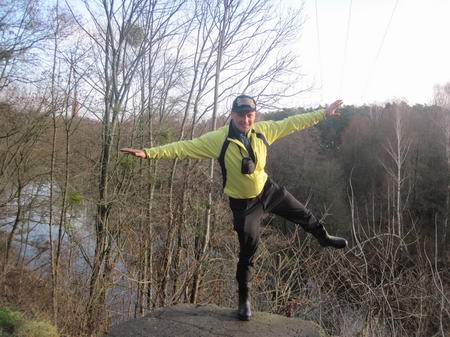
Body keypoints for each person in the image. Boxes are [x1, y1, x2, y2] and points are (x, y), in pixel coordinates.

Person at [121, 94, 347, 321]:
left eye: (249, 116)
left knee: (304, 215)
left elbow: (293, 122)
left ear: (254, 116)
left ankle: (324, 237)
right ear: (232, 115)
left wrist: (322, 113)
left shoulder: (264, 130)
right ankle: (244, 298)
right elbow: (184, 147)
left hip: (268, 191)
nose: (245, 120)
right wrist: (149, 153)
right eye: (240, 115)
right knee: (248, 251)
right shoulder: (219, 139)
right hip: (243, 204)